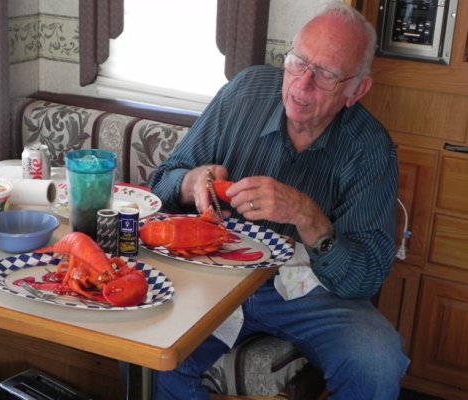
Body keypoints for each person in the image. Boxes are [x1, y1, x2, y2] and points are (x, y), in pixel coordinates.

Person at [149, 2, 409, 399]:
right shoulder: (244, 92)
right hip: (216, 275)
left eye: (326, 76)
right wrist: (192, 183)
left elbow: (367, 275)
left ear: (357, 89)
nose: (302, 86)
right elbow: (162, 183)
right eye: (298, 63)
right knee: (152, 350)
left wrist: (309, 218)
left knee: (377, 361)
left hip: (309, 289)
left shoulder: (371, 149)